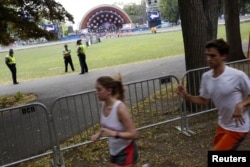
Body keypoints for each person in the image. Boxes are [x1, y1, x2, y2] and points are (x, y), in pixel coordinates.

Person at [176, 38, 250, 151]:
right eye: (207, 55)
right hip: (222, 125)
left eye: (213, 56)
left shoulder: (237, 76)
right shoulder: (206, 77)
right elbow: (203, 100)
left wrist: (241, 105)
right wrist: (186, 96)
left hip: (238, 127)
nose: (209, 59)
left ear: (223, 56)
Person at [91, 74, 139, 167]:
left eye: (99, 89)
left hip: (126, 150)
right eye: (96, 89)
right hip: (114, 151)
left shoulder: (120, 109)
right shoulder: (103, 105)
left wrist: (114, 133)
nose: (96, 92)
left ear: (109, 91)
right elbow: (106, 126)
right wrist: (99, 134)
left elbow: (134, 134)